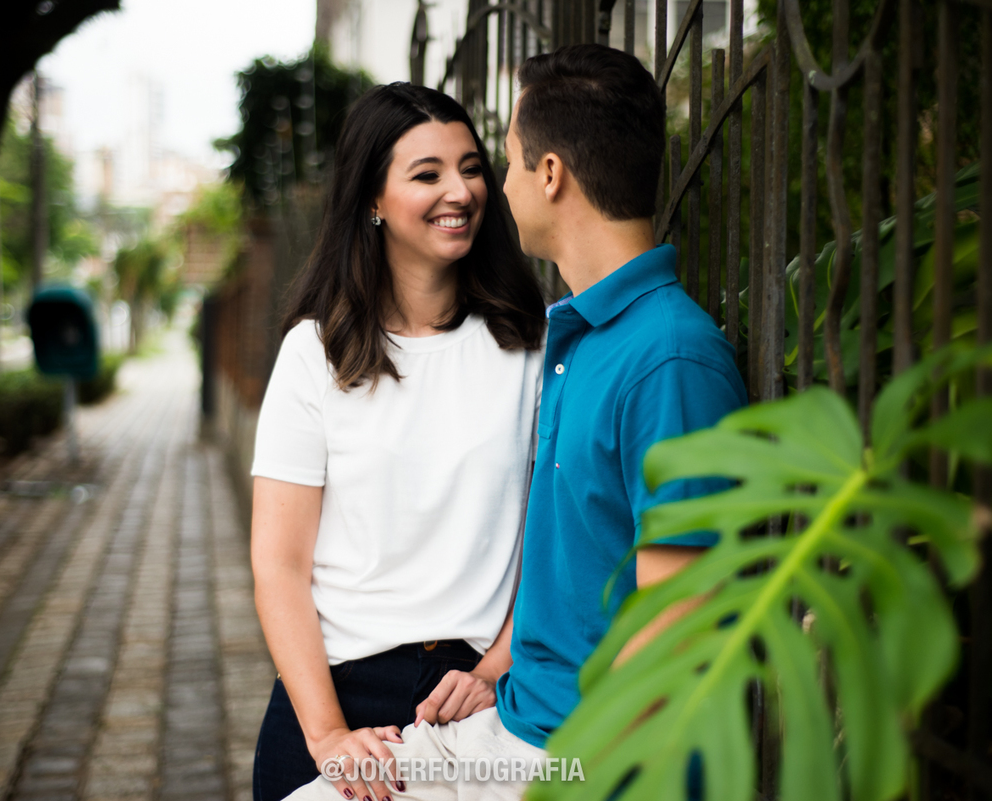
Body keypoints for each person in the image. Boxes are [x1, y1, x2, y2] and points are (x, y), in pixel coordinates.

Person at [284, 43, 747, 801]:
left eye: (504, 162)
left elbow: (675, 636)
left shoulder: (670, 361)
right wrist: (495, 669)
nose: (495, 187)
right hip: (508, 725)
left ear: (552, 174)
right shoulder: (575, 336)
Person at [249, 82, 547, 801]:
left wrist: (493, 668)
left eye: (472, 166)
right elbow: (279, 564)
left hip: (477, 695)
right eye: (428, 173)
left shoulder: (530, 346)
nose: (461, 190)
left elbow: (547, 537)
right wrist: (327, 737)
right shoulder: (313, 354)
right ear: (373, 201)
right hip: (337, 691)